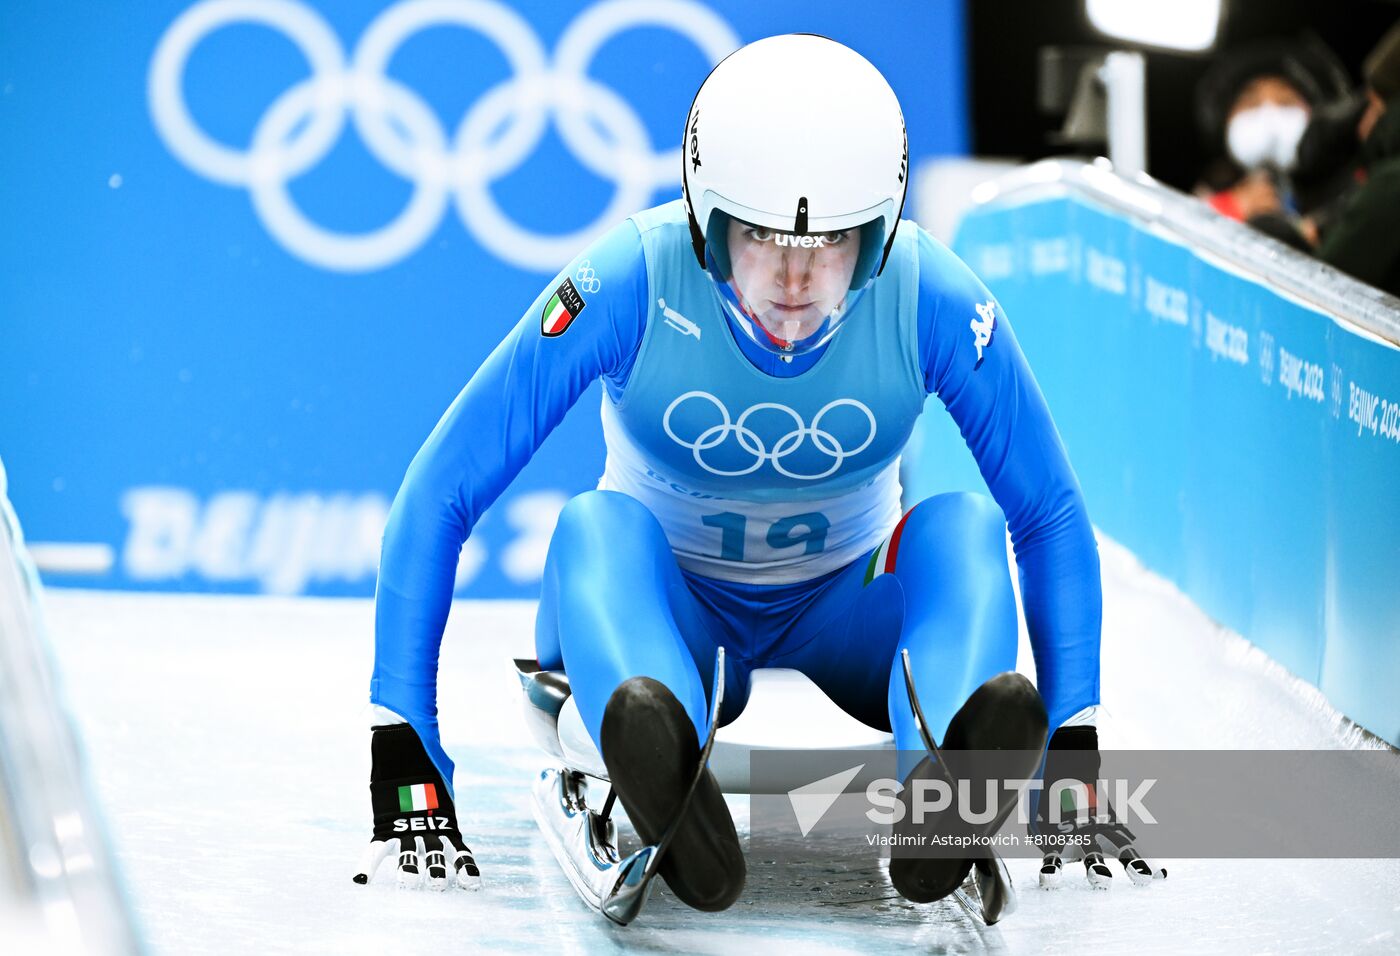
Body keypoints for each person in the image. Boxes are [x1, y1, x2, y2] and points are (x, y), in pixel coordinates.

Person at [351, 34, 1138, 911]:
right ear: (705, 222)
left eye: (834, 243)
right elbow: (445, 483)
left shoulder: (931, 294)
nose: (796, 278)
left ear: (878, 234)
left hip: (848, 608)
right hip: (667, 610)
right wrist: (404, 741)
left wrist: (1076, 745)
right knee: (593, 526)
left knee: (962, 525)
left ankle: (943, 798)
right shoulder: (626, 279)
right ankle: (667, 770)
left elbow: (1049, 514)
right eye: (761, 237)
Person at [1318, 22, 1400, 297]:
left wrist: (1283, 235)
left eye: (1376, 107)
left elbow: (1324, 286)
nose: (1364, 128)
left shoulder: (1392, 186)